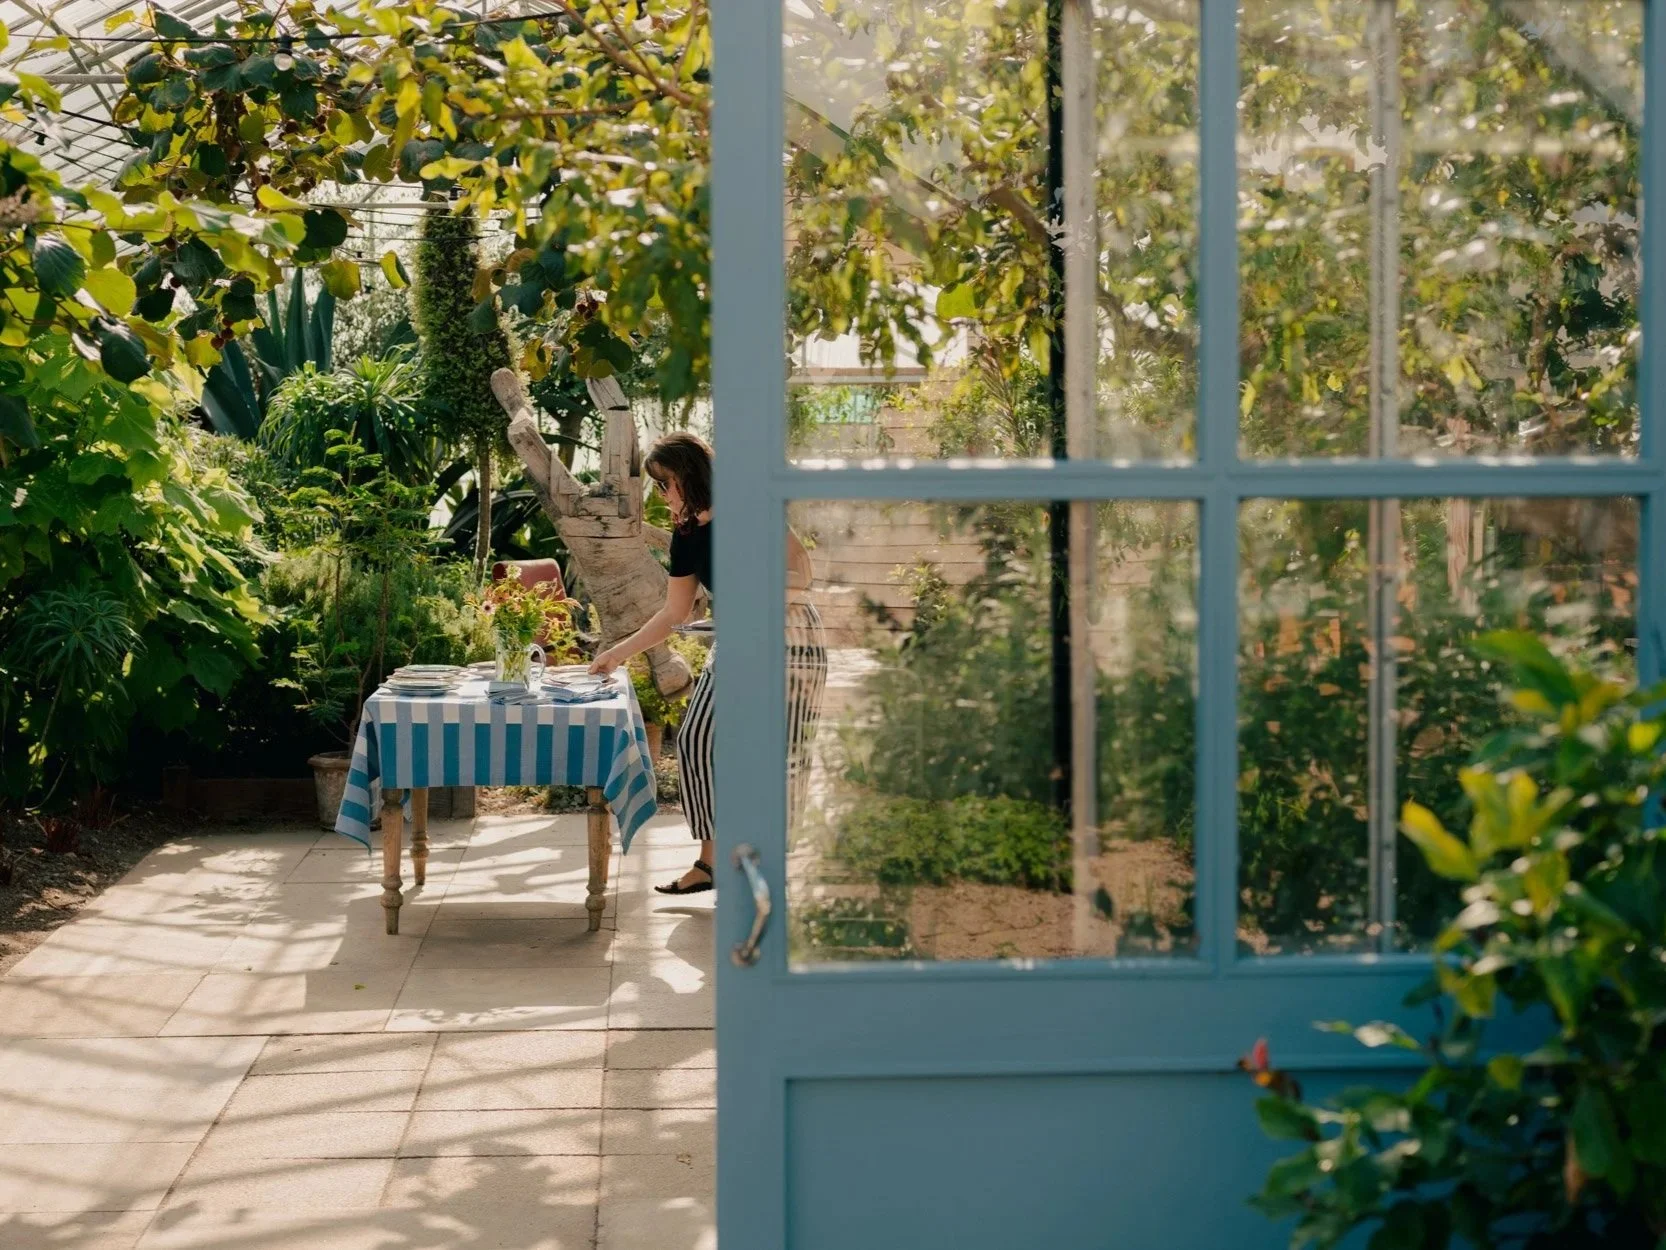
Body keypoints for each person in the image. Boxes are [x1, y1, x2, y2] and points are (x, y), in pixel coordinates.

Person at [589, 432, 826, 894]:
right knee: (697, 738)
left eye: (665, 483)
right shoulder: (687, 536)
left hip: (793, 636)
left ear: (688, 475)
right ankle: (711, 861)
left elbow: (803, 573)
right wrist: (618, 652)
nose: (662, 494)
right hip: (737, 642)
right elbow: (674, 613)